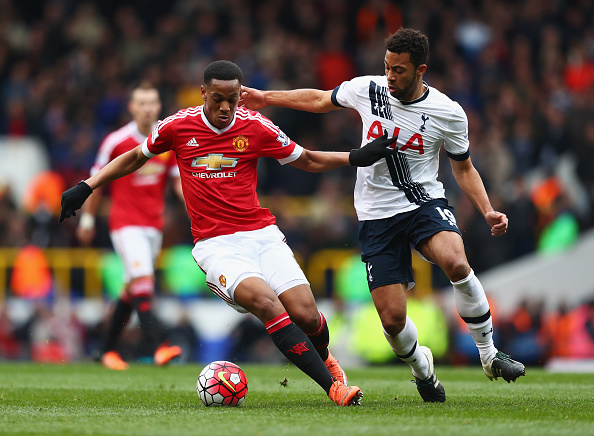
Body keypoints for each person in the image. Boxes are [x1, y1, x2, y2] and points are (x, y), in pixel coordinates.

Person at [60, 60, 398, 406]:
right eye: (218, 99)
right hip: (216, 246)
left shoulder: (256, 126)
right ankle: (334, 388)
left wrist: (355, 156)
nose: (225, 108)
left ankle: (326, 359)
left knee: (307, 314)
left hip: (262, 235)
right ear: (204, 92)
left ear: (241, 95)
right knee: (269, 305)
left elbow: (307, 159)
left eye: (233, 100)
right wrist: (86, 187)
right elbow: (134, 157)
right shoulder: (177, 126)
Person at [240, 27, 526, 402]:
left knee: (456, 262)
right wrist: (266, 97)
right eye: (387, 67)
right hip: (376, 215)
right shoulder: (368, 88)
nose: (390, 76)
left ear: (420, 70)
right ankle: (423, 370)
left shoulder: (448, 113)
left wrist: (487, 210)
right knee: (392, 320)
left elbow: (463, 167)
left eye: (399, 70)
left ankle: (489, 356)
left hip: (424, 203)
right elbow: (321, 99)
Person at [77, 82, 184, 370]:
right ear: (132, 107)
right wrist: (87, 219)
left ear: (159, 107)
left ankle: (105, 350)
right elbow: (96, 182)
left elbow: (178, 183)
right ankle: (159, 345)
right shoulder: (117, 141)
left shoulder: (167, 139)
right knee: (143, 279)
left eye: (152, 103)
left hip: (154, 226)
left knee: (132, 287)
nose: (148, 108)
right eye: (142, 103)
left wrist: (197, 211)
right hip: (124, 224)